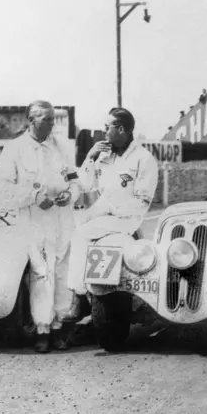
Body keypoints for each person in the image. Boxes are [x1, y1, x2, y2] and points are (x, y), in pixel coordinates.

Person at [0, 100, 81, 353]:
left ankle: (60, 328)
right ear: (30, 121)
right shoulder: (15, 149)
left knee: (63, 272)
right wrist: (33, 197)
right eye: (46, 119)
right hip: (33, 219)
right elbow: (2, 187)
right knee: (42, 273)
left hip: (62, 218)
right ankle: (42, 330)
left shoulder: (63, 148)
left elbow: (75, 181)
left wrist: (71, 195)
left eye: (53, 119)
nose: (52, 123)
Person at [62, 107, 159, 322]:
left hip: (126, 219)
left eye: (108, 127)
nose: (104, 132)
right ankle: (90, 293)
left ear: (121, 129)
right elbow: (86, 185)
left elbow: (143, 201)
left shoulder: (143, 159)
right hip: (104, 216)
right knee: (80, 234)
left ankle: (79, 298)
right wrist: (89, 157)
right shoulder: (104, 156)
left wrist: (110, 207)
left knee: (80, 236)